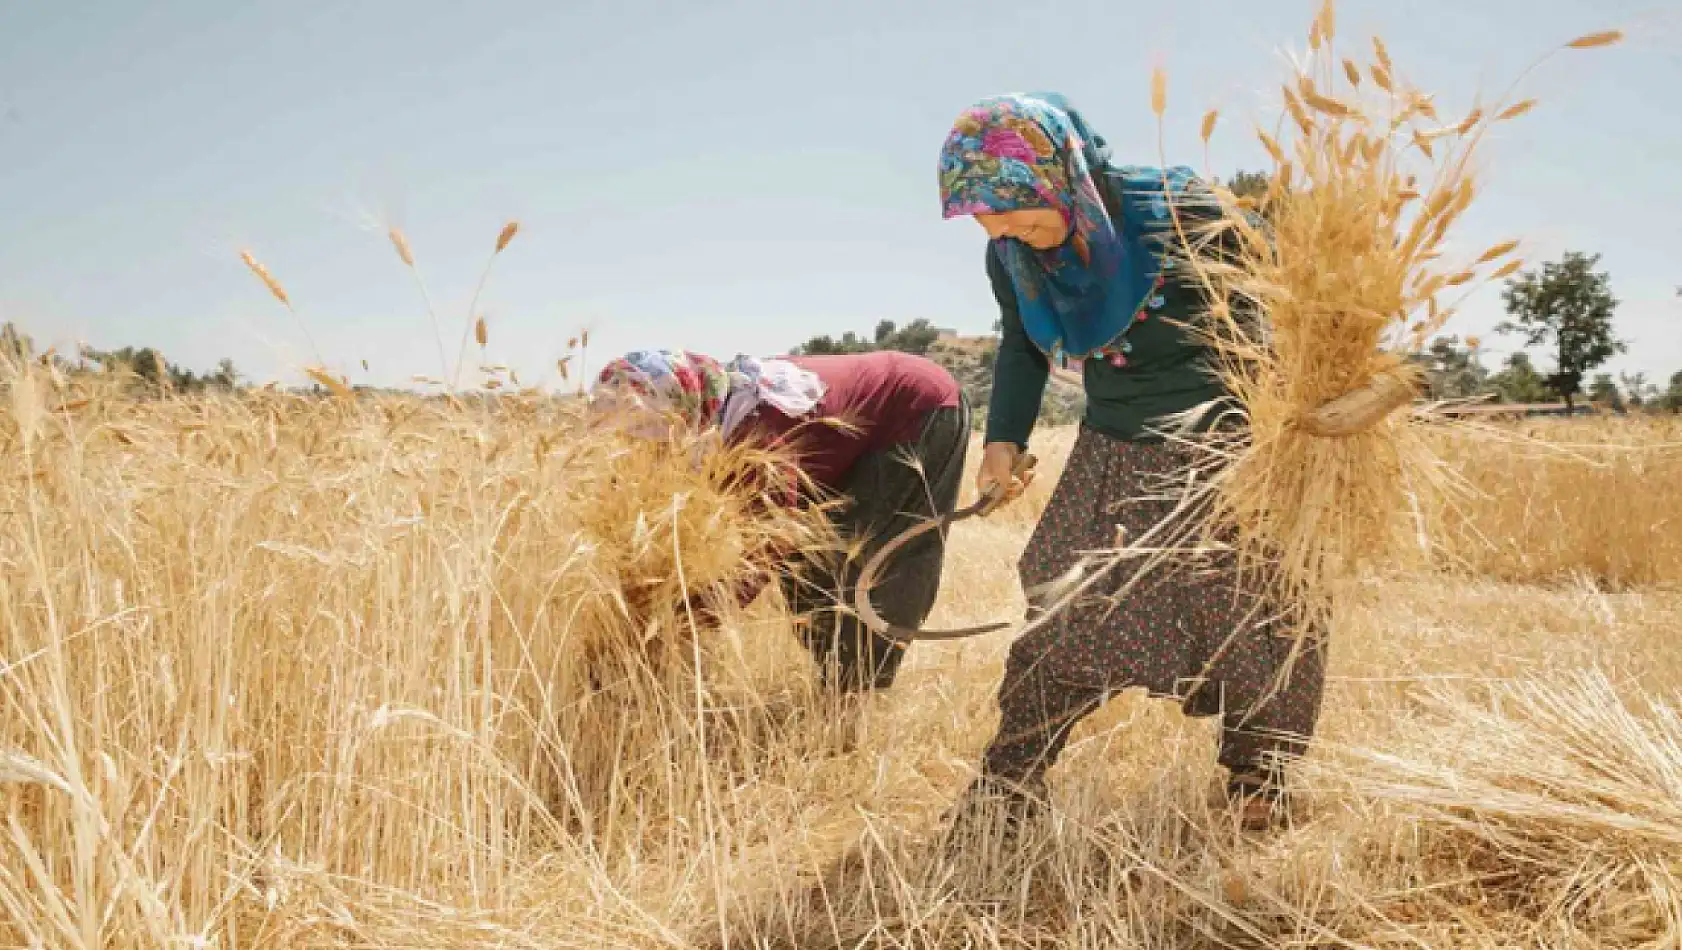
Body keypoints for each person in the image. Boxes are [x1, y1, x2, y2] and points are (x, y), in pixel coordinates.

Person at [936, 91, 1326, 834]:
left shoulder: (1180, 210)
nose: (1007, 235)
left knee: (1258, 610)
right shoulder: (1011, 254)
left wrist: (1304, 415)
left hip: (1228, 447)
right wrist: (1002, 444)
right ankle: (1010, 781)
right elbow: (1021, 346)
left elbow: (1288, 307)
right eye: (989, 224)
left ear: (1060, 175)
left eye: (1018, 215)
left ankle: (1260, 780)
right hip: (1113, 442)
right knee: (1060, 604)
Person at [589, 348, 970, 694]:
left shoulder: (754, 433)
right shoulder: (703, 418)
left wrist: (681, 624)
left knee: (869, 565)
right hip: (850, 437)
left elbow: (767, 549)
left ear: (680, 410)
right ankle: (838, 688)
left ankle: (858, 700)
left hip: (915, 411)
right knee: (809, 572)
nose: (644, 450)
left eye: (649, 438)